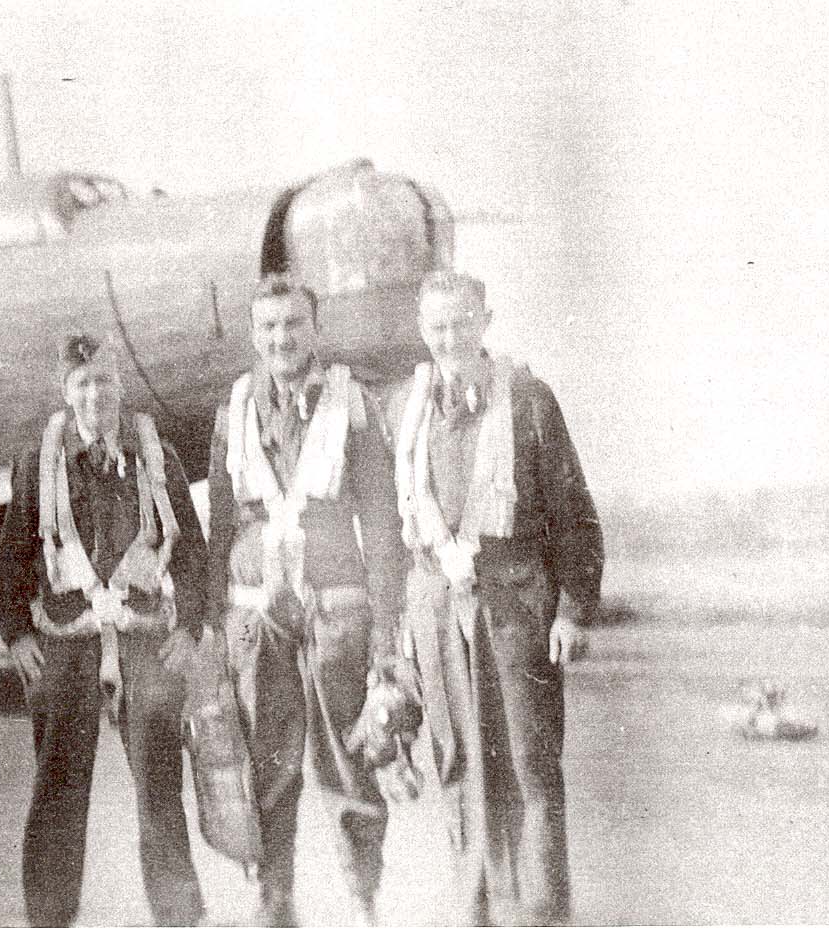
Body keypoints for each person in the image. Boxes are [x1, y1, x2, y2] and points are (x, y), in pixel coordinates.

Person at [382, 270, 603, 925]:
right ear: (422, 331)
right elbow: (398, 526)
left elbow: (574, 514)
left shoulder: (528, 399)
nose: (449, 337)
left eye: (461, 321)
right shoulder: (407, 406)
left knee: (530, 763)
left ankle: (541, 911)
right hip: (434, 609)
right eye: (435, 326)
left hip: (514, 603)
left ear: (485, 320)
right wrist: (401, 623)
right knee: (456, 761)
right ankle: (473, 906)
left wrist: (571, 609)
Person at [0, 334, 207, 927]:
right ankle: (50, 920)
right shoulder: (41, 459)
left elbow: (191, 552)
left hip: (143, 640)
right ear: (66, 391)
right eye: (82, 384)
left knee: (160, 789)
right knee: (58, 791)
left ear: (121, 386)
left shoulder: (155, 455)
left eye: (105, 382)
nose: (95, 396)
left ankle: (179, 917)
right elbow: (11, 555)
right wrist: (16, 633)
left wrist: (188, 627)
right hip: (68, 644)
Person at [206, 275, 405, 926]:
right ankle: (274, 904)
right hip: (255, 615)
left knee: (347, 765)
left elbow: (382, 527)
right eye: (267, 327)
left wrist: (384, 641)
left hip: (335, 614)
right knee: (265, 765)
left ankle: (363, 897)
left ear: (313, 329)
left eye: (292, 324)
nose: (280, 338)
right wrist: (213, 627)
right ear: (253, 334)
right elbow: (218, 530)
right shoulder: (233, 407)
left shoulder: (353, 403)